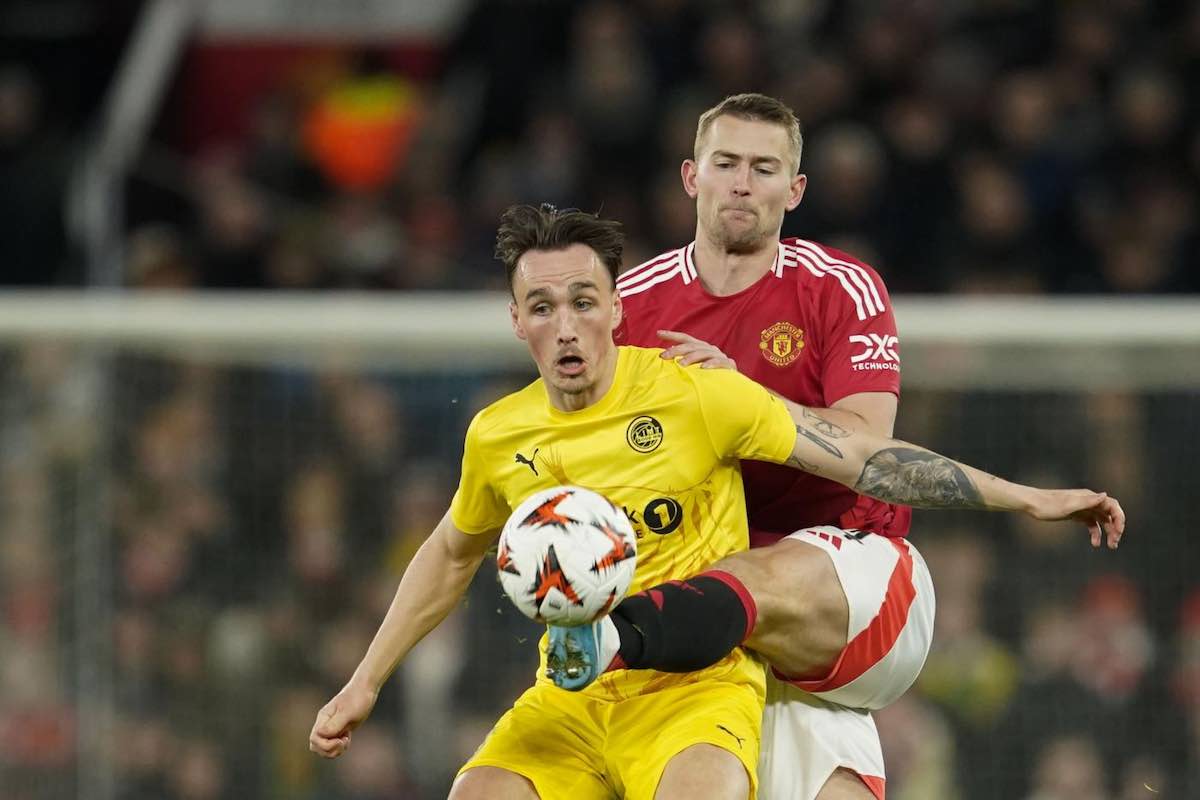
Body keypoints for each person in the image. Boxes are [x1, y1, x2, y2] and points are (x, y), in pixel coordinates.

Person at [309, 203, 1123, 800]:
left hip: (695, 689)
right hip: (568, 698)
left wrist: (1024, 499)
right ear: (517, 321)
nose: (567, 328)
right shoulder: (497, 434)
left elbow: (864, 458)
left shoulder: (696, 396)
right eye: (544, 308)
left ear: (619, 310)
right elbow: (452, 551)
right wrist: (365, 683)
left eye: (585, 303)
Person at [547, 94, 1126, 800]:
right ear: (691, 177)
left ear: (794, 191)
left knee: (749, 580)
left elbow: (865, 451)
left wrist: (743, 400)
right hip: (705, 617)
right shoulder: (625, 307)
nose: (741, 182)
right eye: (726, 163)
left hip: (850, 583)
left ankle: (615, 637)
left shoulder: (840, 289)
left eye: (764, 168)